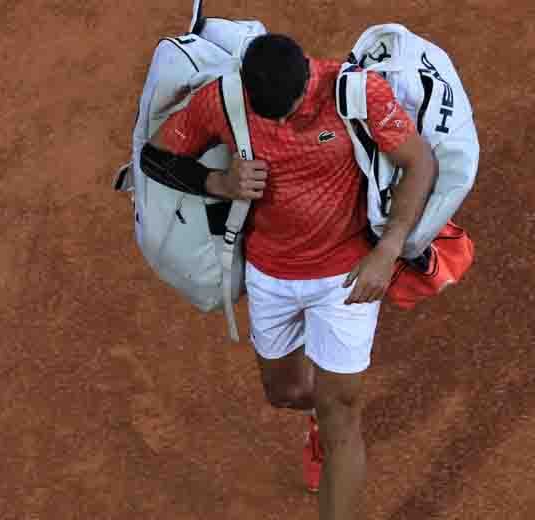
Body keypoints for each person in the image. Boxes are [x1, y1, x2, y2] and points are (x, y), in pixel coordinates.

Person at [139, 32, 437, 520]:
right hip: (270, 276)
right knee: (285, 393)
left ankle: (332, 424)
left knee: (341, 408)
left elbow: (418, 161)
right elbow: (155, 156)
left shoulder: (356, 93)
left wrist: (388, 249)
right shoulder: (225, 99)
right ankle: (319, 418)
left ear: (308, 77)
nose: (277, 122)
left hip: (347, 274)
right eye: (266, 114)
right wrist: (219, 182)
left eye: (287, 109)